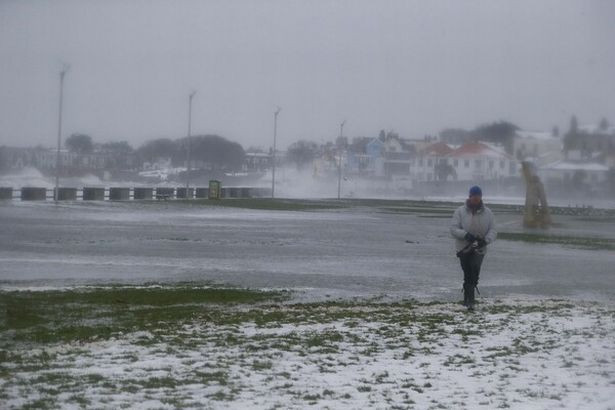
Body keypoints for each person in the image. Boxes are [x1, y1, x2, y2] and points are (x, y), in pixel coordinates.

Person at [450, 186, 497, 311]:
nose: (476, 198)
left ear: (481, 197)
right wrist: (466, 235)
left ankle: (470, 299)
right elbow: (453, 229)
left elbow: (493, 230)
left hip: (480, 248)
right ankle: (468, 300)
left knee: (474, 270)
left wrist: (485, 241)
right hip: (463, 248)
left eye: (478, 196)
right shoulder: (460, 211)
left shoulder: (488, 213)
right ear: (469, 196)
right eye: (473, 196)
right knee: (467, 272)